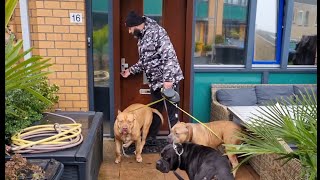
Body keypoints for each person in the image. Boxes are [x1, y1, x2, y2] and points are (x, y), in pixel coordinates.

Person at [121, 11, 184, 145]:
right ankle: (150, 139)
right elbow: (146, 61)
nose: (129, 32)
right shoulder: (142, 37)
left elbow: (169, 56)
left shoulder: (157, 32)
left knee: (172, 114)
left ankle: (176, 144)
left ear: (137, 25)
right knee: (154, 111)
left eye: (130, 28)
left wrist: (168, 81)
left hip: (168, 81)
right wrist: (130, 71)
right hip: (155, 83)